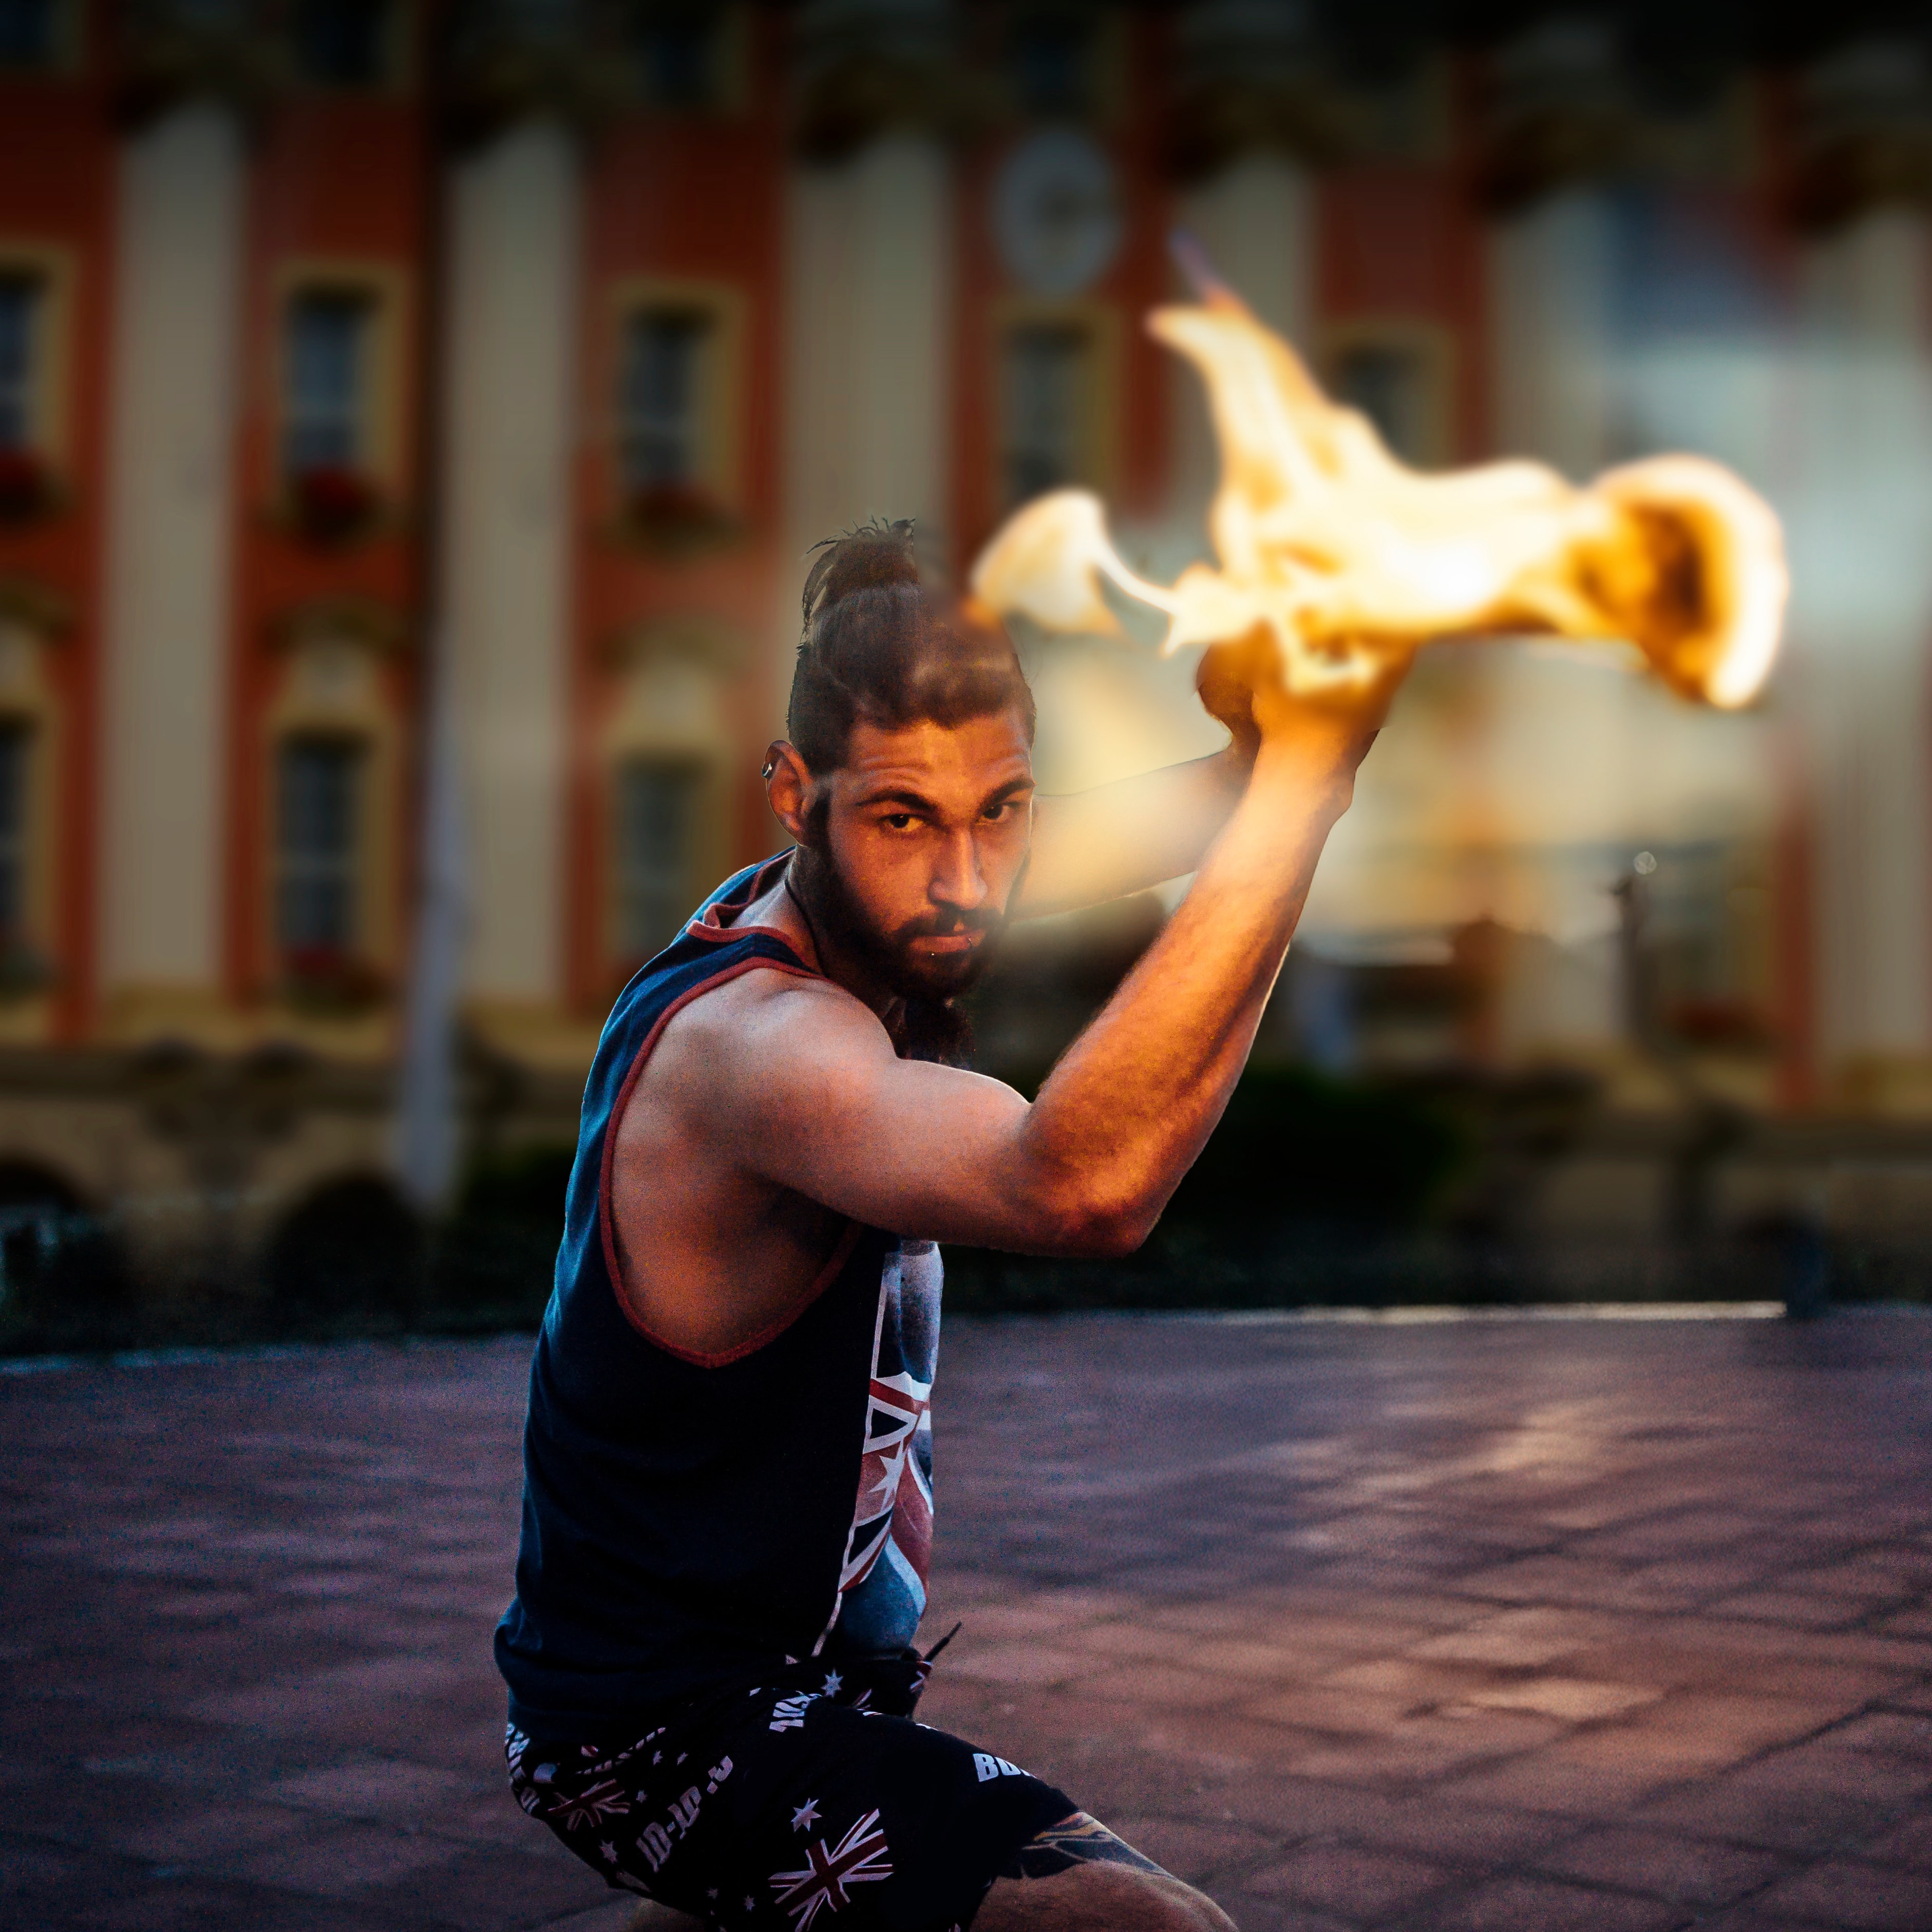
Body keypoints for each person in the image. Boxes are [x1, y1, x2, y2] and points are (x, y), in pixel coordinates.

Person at [497, 520, 1397, 1932]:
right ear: (793, 792)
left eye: (1009, 811)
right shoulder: (766, 1045)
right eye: (907, 816)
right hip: (668, 1727)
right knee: (1152, 1930)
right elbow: (1080, 1182)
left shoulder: (865, 884)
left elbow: (1212, 808)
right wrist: (1300, 785)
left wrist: (1270, 753)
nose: (971, 880)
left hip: (767, 1691)